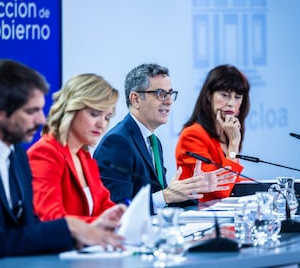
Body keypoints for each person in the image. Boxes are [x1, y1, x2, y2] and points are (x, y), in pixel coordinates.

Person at [0, 59, 124, 267]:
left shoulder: (17, 155)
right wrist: (71, 227)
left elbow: (29, 227)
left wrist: (83, 229)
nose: (41, 120)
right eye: (31, 112)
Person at [94, 63, 233, 212]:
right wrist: (166, 195)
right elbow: (116, 208)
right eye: (160, 94)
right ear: (136, 99)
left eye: (170, 93)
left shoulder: (153, 141)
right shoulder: (117, 142)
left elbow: (160, 200)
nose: (169, 101)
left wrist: (191, 188)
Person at [27, 73, 126, 227]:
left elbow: (104, 206)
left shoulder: (83, 156)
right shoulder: (45, 153)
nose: (102, 124)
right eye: (95, 114)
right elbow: (50, 218)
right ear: (71, 109)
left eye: (107, 117)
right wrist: (99, 225)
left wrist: (122, 218)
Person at [175, 64, 250, 202]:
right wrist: (233, 145)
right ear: (209, 95)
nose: (232, 103)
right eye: (225, 95)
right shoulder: (192, 135)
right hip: (198, 217)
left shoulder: (227, 132)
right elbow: (222, 188)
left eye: (238, 97)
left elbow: (235, 182)